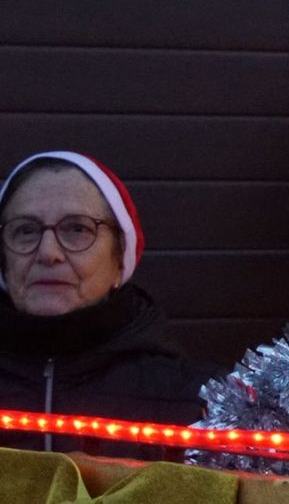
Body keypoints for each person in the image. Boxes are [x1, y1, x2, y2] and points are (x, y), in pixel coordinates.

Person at [0, 151, 211, 456]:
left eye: (77, 229)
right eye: (25, 230)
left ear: (119, 258)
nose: (48, 253)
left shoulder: (191, 401)